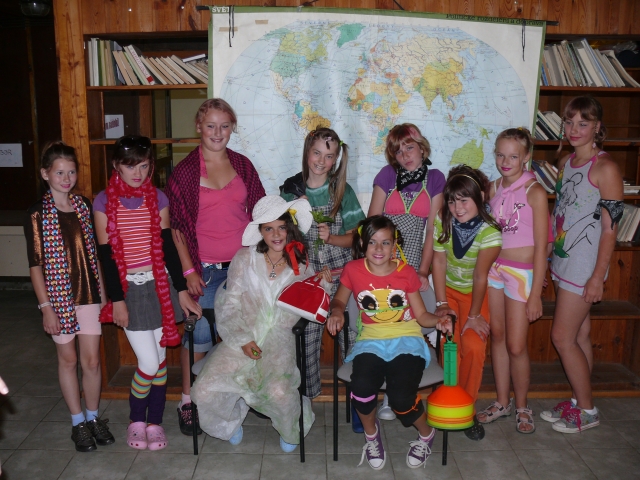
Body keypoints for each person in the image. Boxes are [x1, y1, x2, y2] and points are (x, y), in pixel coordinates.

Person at [191, 196, 331, 452]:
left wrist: (324, 283)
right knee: (203, 389)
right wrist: (243, 339)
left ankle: (292, 427)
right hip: (240, 335)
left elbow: (311, 306)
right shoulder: (244, 259)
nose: (276, 234)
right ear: (261, 232)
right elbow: (229, 304)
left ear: (290, 229)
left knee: (279, 391)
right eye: (268, 228)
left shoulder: (301, 265)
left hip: (279, 340)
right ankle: (230, 421)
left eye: (281, 227)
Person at [165, 98, 266, 435]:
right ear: (199, 127)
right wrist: (188, 272)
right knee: (199, 338)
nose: (218, 132)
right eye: (211, 125)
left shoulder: (243, 166)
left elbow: (261, 214)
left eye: (225, 126)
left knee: (243, 337)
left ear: (232, 128)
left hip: (242, 270)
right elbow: (177, 227)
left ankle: (236, 398)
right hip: (203, 271)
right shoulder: (185, 172)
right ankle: (188, 401)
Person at [94, 135, 202, 451]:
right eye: (130, 166)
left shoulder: (158, 197)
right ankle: (136, 421)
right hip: (129, 290)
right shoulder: (103, 201)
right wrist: (117, 300)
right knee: (149, 363)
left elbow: (167, 246)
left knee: (159, 360)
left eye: (143, 166)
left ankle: (154, 423)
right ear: (116, 166)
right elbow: (106, 256)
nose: (138, 173)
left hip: (160, 286)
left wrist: (180, 290)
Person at [326, 215, 453, 470]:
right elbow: (339, 300)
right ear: (362, 243)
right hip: (370, 341)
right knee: (361, 388)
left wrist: (438, 320)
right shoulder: (353, 269)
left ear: (394, 245)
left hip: (407, 341)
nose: (378, 248)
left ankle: (426, 433)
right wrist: (337, 312)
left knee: (401, 398)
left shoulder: (406, 272)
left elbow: (422, 316)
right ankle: (371, 435)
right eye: (372, 242)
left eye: (385, 242)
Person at [24, 141, 114, 452]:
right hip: (58, 300)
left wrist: (103, 293)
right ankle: (78, 423)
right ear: (45, 174)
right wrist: (46, 308)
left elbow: (95, 254)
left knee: (92, 361)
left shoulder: (83, 206)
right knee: (69, 360)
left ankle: (93, 417)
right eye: (59, 172)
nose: (66, 178)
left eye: (71, 172)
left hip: (88, 294)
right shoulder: (37, 214)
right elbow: (35, 265)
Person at [540, 96, 623, 433]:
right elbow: (561, 213)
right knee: (581, 334)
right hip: (563, 260)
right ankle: (578, 400)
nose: (574, 129)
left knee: (562, 338)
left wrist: (597, 277)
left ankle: (587, 410)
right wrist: (548, 258)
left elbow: (610, 228)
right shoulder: (566, 162)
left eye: (583, 123)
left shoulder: (606, 169)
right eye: (569, 122)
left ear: (597, 127)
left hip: (584, 267)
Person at [280, 128, 365, 405]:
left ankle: (359, 397)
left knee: (352, 336)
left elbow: (357, 239)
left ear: (336, 160)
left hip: (343, 279)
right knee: (305, 339)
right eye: (316, 153)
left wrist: (332, 238)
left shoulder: (343, 192)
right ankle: (306, 398)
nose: (321, 160)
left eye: (329, 156)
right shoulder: (290, 192)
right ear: (307, 152)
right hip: (308, 279)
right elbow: (280, 238)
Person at [368, 123, 445, 421]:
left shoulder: (435, 179)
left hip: (414, 261)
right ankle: (384, 390)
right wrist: (377, 267)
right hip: (383, 258)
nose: (405, 155)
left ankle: (397, 392)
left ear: (422, 148)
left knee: (407, 324)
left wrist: (423, 270)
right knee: (386, 321)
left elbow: (432, 232)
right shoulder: (387, 175)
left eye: (409, 148)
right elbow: (372, 224)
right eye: (398, 151)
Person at [476, 128, 548, 434]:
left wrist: (535, 295)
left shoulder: (535, 192)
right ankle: (502, 402)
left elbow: (542, 247)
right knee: (498, 336)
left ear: (526, 157)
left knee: (517, 345)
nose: (505, 162)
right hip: (494, 269)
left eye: (513, 156)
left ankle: (522, 405)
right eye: (500, 155)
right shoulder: (491, 188)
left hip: (521, 274)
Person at [431, 165, 502, 440]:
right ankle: (449, 404)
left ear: (479, 197)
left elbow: (480, 276)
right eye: (452, 201)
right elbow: (439, 262)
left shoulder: (490, 231)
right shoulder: (443, 220)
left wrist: (473, 316)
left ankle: (466, 409)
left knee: (473, 345)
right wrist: (441, 303)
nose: (457, 208)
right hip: (448, 292)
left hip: (475, 295)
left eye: (464, 200)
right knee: (450, 345)